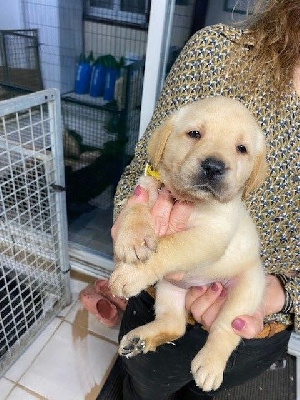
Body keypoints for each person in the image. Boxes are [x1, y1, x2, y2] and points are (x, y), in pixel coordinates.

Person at [110, 1, 299, 398]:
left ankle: (217, 348)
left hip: (252, 304)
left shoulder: (228, 206)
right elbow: (141, 177)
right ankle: (168, 324)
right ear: (167, 140)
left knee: (246, 287)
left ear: (253, 173)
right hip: (161, 283)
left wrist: (282, 294)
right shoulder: (216, 51)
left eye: (240, 151)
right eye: (195, 135)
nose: (216, 162)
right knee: (144, 382)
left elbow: (210, 242)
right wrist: (133, 220)